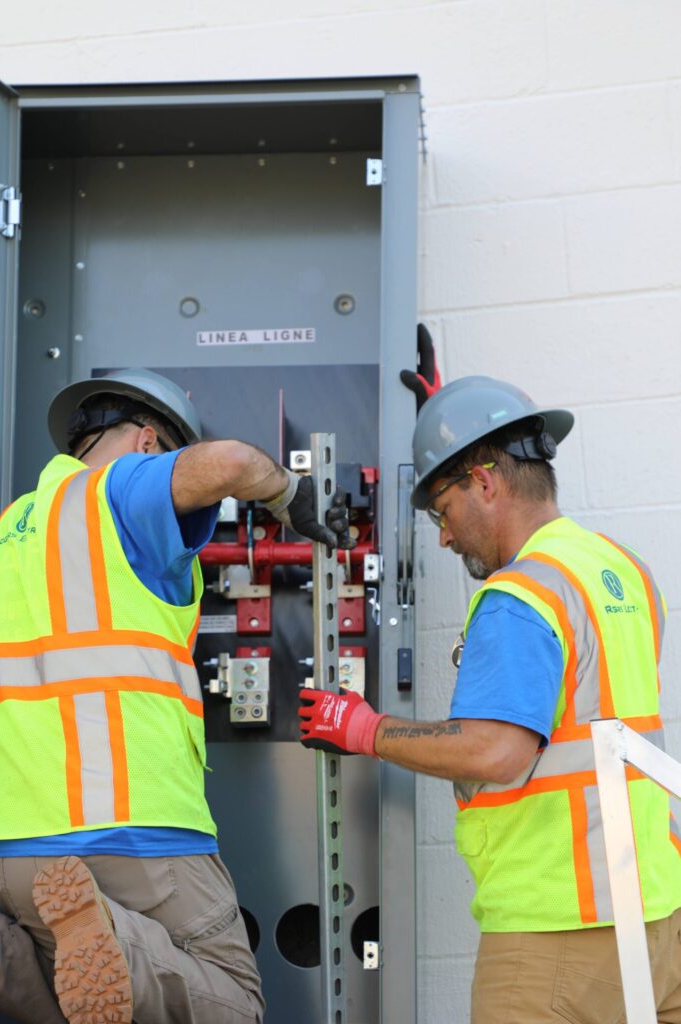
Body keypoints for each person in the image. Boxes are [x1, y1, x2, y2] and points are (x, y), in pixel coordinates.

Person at [0, 367, 351, 1024]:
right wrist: (290, 495)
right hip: (133, 828)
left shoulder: (7, 535)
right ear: (146, 441)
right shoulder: (125, 489)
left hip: (11, 842)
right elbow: (230, 462)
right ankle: (119, 944)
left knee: (80, 983)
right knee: (232, 1001)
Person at [299, 375, 681, 1023]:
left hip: (557, 923)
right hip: (657, 914)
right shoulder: (620, 570)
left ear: (484, 480)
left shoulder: (519, 595)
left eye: (442, 511)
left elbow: (498, 751)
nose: (444, 538)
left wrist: (363, 728)